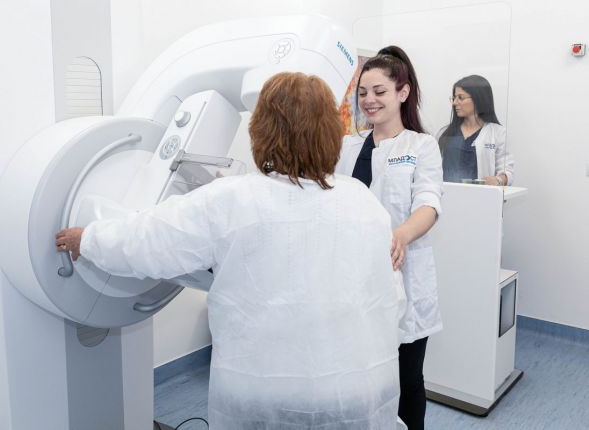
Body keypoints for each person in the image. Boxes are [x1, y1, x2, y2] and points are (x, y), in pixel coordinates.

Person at [56, 72, 404, 430]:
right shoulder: (362, 200)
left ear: (261, 130)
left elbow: (148, 241)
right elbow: (392, 299)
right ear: (331, 132)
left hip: (262, 396)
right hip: (355, 394)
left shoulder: (232, 198)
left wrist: (89, 239)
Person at [334, 46, 443, 430]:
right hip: (355, 278)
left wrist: (401, 235)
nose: (369, 100)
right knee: (360, 377)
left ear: (403, 92)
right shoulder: (347, 146)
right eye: (363, 92)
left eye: (379, 91)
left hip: (405, 276)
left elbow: (429, 204)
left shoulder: (421, 146)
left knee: (407, 380)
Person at [436, 74, 514, 185]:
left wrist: (498, 180)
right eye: (454, 98)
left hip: (479, 194)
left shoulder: (497, 133)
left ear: (478, 98)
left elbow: (507, 172)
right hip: (447, 193)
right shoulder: (444, 133)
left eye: (461, 98)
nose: (454, 103)